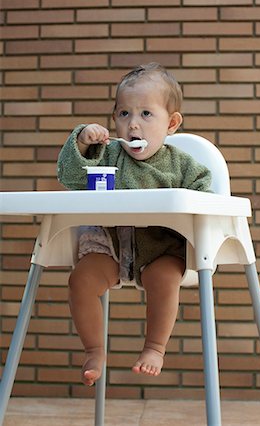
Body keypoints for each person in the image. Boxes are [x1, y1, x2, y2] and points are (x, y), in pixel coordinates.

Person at [57, 62, 212, 386]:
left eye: (145, 114)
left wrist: (189, 205)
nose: (133, 125)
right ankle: (94, 349)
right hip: (109, 245)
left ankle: (155, 347)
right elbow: (70, 177)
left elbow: (204, 195)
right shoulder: (108, 154)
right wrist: (84, 143)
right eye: (124, 114)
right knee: (80, 281)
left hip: (158, 249)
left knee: (166, 277)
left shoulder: (181, 164)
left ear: (171, 123)